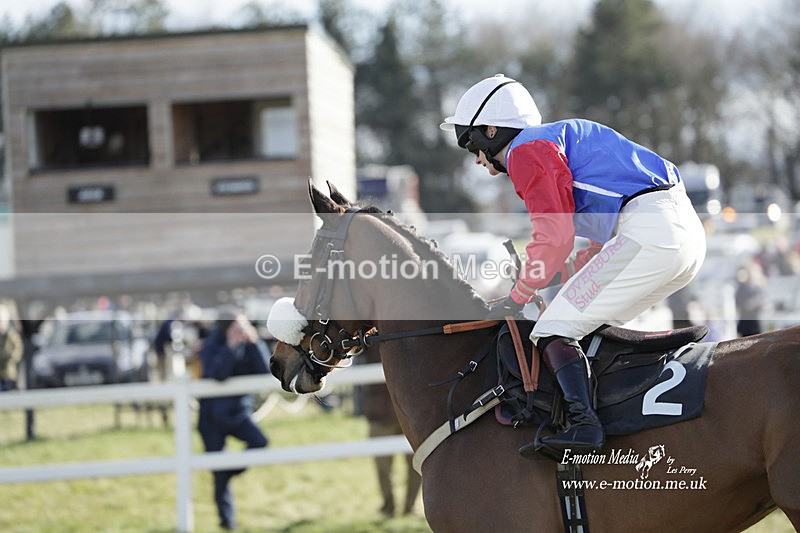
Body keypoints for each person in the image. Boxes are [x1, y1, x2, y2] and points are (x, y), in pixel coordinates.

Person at [441, 74, 706, 458]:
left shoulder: (525, 151)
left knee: (553, 329)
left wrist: (516, 297)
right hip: (673, 233)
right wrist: (558, 274)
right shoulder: (559, 142)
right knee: (586, 328)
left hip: (652, 232)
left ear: (492, 129)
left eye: (472, 144)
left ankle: (585, 428)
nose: (479, 160)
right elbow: (588, 249)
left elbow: (554, 237)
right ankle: (617, 419)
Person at [198, 310, 270, 530]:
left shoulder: (248, 344)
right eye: (238, 326)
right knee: (218, 477)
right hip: (212, 417)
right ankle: (227, 521)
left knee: (260, 442)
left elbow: (266, 370)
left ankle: (229, 470)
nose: (242, 330)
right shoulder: (211, 345)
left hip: (239, 413)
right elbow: (218, 374)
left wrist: (255, 343)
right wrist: (231, 346)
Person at [356, 349, 421, 517]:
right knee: (381, 465)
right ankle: (388, 506)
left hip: (409, 411)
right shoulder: (371, 333)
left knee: (416, 463)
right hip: (380, 411)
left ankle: (410, 507)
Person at [0, 302, 24, 392]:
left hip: (9, 371)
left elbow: (18, 348)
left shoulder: (11, 334)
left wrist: (12, 358)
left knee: (9, 391)